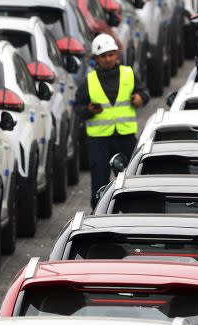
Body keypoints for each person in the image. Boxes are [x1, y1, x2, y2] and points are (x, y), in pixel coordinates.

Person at [75, 34, 149, 208]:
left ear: (116, 54)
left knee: (129, 182)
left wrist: (140, 98)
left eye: (111, 54)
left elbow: (144, 93)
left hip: (125, 136)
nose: (108, 59)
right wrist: (88, 110)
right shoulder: (90, 81)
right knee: (100, 184)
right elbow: (78, 108)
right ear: (96, 59)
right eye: (103, 56)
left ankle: (130, 214)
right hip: (98, 141)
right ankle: (99, 218)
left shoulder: (128, 74)